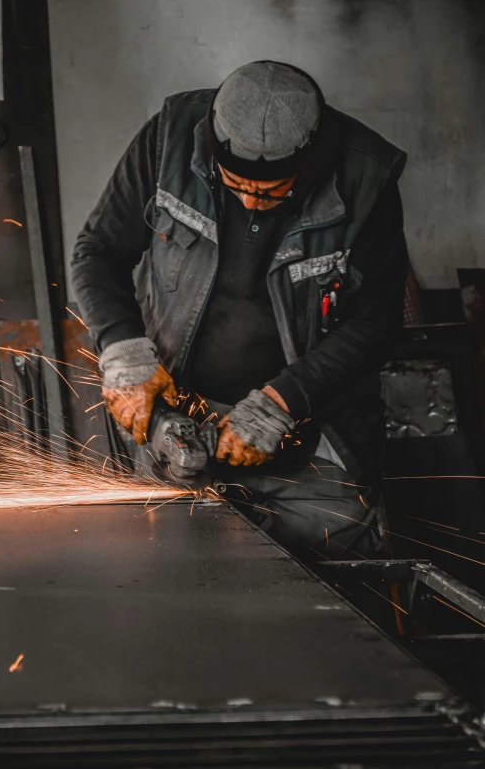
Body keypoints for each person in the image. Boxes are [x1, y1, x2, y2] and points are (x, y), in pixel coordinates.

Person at [71, 61, 408, 561]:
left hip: (312, 437)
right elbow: (97, 249)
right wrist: (124, 351)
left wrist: (283, 403)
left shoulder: (365, 178)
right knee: (179, 584)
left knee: (339, 604)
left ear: (309, 162)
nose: (250, 204)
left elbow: (376, 322)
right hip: (179, 424)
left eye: (271, 193)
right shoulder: (167, 141)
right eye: (236, 186)